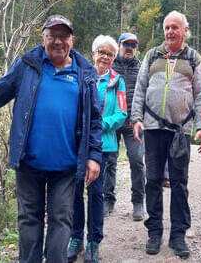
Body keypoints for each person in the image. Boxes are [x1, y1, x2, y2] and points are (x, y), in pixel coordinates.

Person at [0, 14, 102, 263]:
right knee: (29, 220)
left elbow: (94, 119)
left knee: (61, 220)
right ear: (43, 39)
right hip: (29, 161)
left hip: (68, 166)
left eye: (63, 36)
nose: (57, 42)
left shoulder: (85, 73)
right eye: (52, 36)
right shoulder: (27, 65)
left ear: (72, 40)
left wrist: (93, 156)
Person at [131, 10, 201, 259]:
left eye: (175, 27)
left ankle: (178, 236)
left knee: (179, 183)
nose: (170, 32)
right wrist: (136, 119)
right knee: (152, 180)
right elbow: (140, 89)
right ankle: (154, 232)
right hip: (152, 128)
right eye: (167, 27)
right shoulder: (152, 55)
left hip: (180, 131)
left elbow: (200, 96)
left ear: (185, 31)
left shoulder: (194, 59)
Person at [68, 35, 127, 263]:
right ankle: (75, 238)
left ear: (114, 58)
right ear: (93, 54)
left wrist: (96, 125)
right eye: (101, 52)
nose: (105, 57)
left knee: (95, 194)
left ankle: (94, 241)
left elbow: (121, 114)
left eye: (110, 54)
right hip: (77, 144)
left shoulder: (117, 81)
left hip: (104, 145)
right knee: (74, 192)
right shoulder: (81, 76)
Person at [104, 32, 146, 221]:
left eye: (133, 44)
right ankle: (108, 199)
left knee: (137, 160)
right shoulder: (109, 65)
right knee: (109, 162)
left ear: (137, 48)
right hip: (112, 122)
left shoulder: (142, 68)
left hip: (133, 121)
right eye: (126, 44)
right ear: (119, 45)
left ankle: (138, 201)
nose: (129, 47)